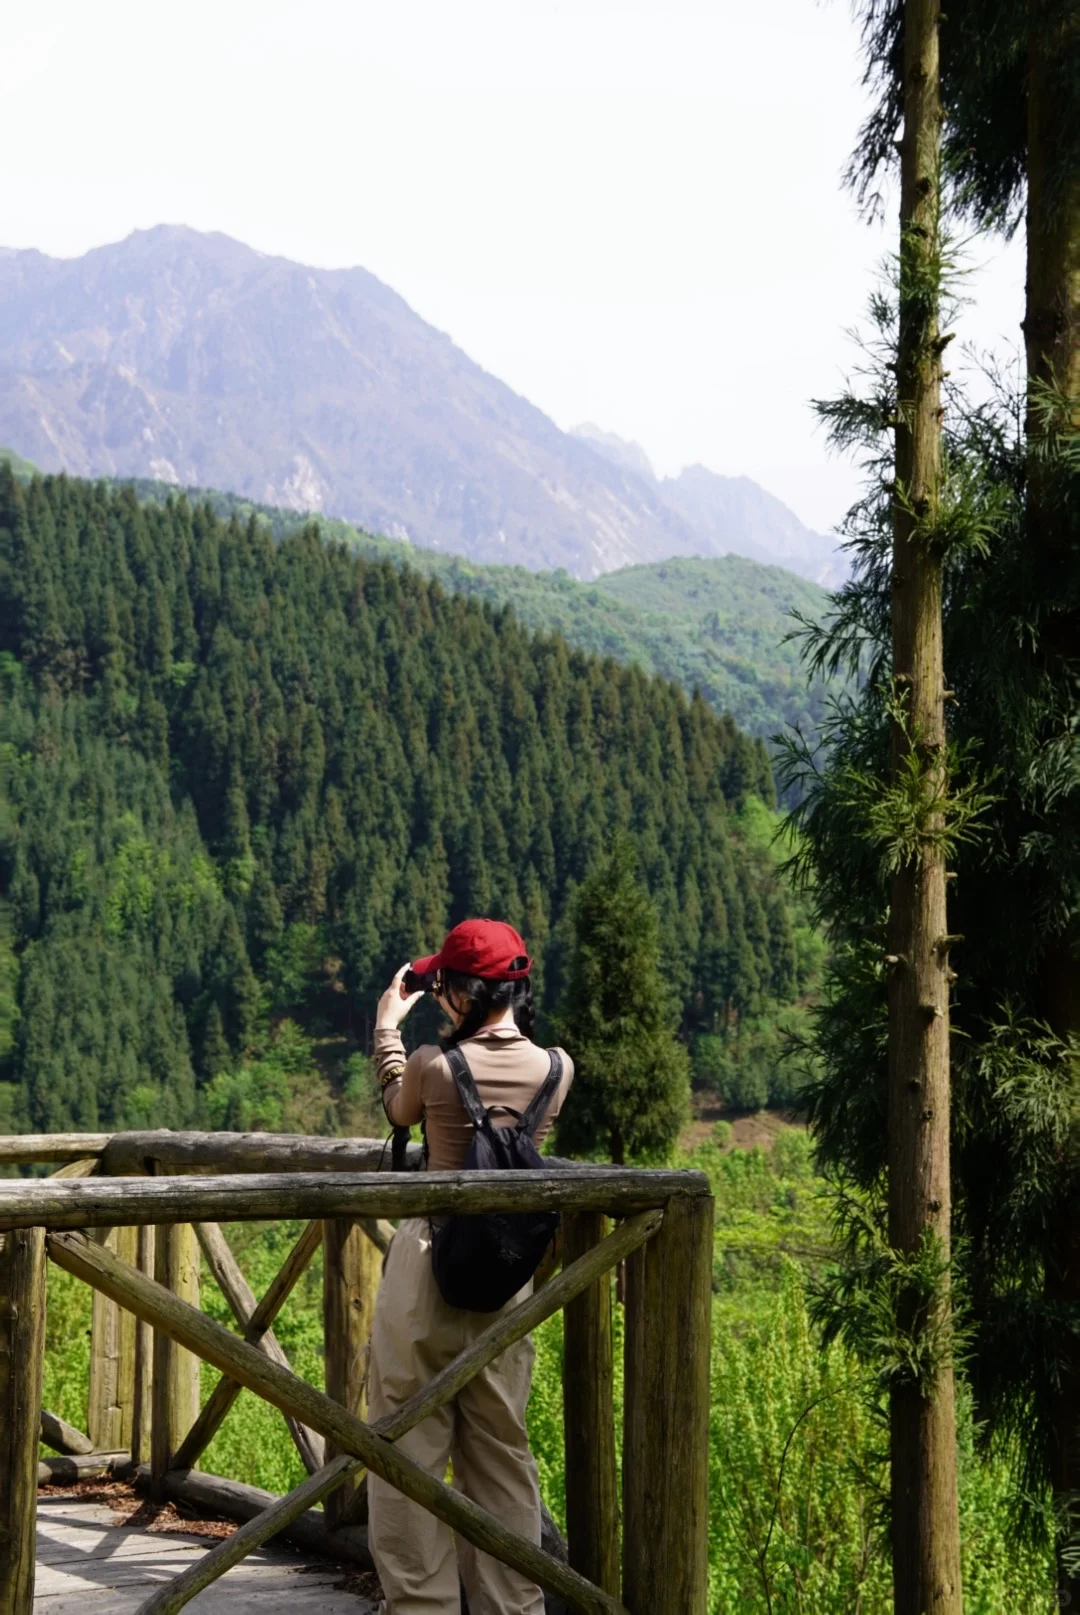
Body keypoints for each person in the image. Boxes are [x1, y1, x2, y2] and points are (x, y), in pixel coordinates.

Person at [368, 917, 574, 1615]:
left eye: (446, 985)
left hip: (429, 1268)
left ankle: (422, 1607)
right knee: (501, 1453)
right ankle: (512, 1604)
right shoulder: (557, 1067)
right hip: (507, 1280)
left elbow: (400, 1108)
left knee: (407, 1450)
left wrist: (388, 1028)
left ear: (460, 991)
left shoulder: (432, 1062)